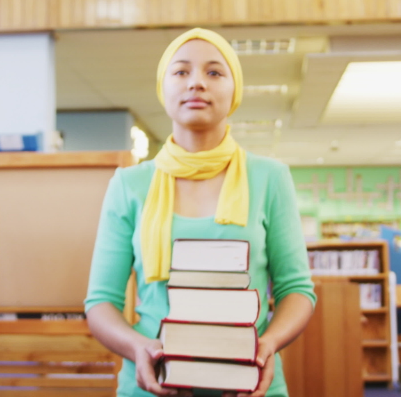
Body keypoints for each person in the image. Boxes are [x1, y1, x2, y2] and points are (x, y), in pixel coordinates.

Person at [84, 28, 316, 397]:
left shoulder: (270, 177)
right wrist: (137, 348)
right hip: (153, 382)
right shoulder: (129, 185)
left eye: (214, 72)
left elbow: (297, 289)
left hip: (248, 381)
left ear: (234, 90)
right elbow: (100, 303)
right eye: (181, 72)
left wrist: (269, 343)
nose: (196, 83)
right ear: (164, 89)